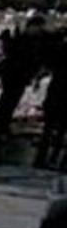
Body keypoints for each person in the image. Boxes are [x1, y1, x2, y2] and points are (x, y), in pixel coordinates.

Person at [0, 17, 48, 148]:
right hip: (15, 76)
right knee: (7, 102)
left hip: (17, 76)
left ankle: (0, 126)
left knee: (9, 102)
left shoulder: (26, 40)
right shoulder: (25, 41)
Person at [36, 31, 67, 169]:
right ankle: (58, 160)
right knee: (60, 130)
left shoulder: (59, 50)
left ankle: (41, 158)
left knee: (48, 129)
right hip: (59, 94)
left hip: (56, 92)